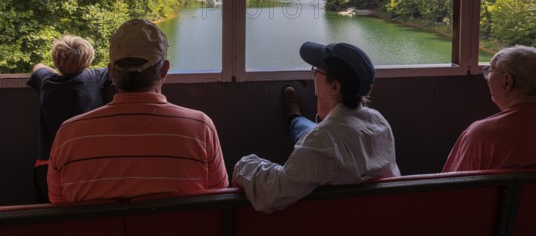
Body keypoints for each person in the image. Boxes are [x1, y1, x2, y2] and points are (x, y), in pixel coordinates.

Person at [47, 19, 228, 203]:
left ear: (111, 71)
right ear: (164, 70)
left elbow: (58, 203)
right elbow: (218, 195)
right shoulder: (200, 128)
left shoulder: (68, 135)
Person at [233, 41, 400, 213]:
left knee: (307, 133)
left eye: (316, 71)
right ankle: (295, 117)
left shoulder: (320, 143)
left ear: (334, 87)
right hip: (377, 216)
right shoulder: (379, 122)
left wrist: (243, 165)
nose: (313, 76)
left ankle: (294, 117)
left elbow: (274, 191)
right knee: (306, 130)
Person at [28, 35, 110, 203]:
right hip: (85, 165)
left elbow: (38, 66)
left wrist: (56, 72)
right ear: (88, 60)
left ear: (56, 60)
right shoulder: (94, 77)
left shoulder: (46, 80)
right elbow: (114, 68)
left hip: (47, 165)